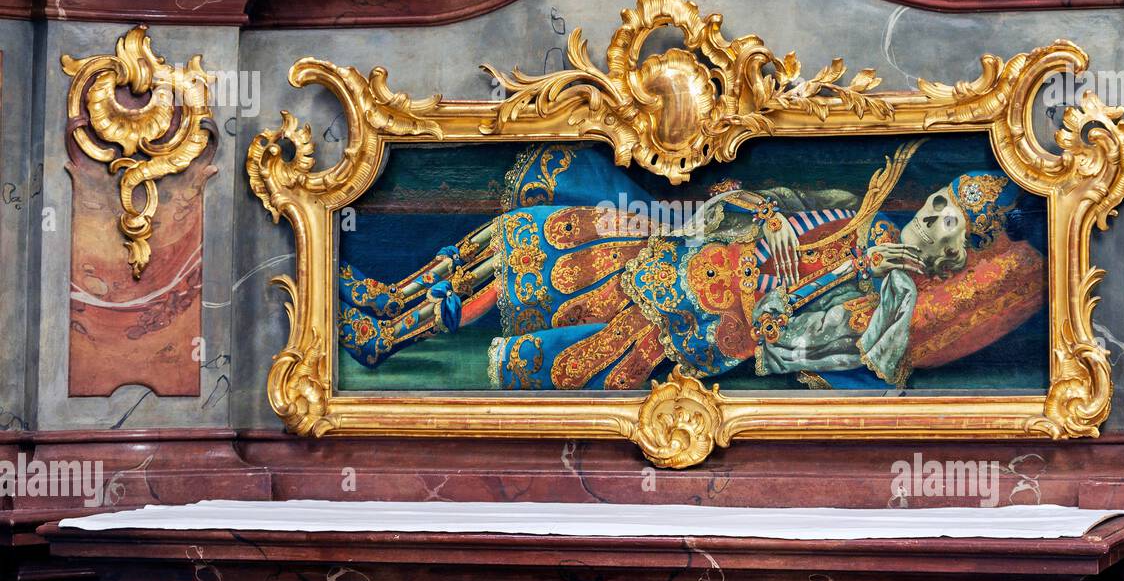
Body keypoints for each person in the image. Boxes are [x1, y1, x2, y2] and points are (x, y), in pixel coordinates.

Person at [338, 142, 1021, 390]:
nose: (927, 221)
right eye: (934, 204)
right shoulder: (856, 209)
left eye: (946, 225)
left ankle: (388, 337)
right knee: (524, 233)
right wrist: (773, 217)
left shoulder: (894, 301)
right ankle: (391, 296)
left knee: (535, 287)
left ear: (962, 254)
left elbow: (786, 341)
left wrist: (852, 274)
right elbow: (736, 200)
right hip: (674, 249)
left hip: (688, 321)